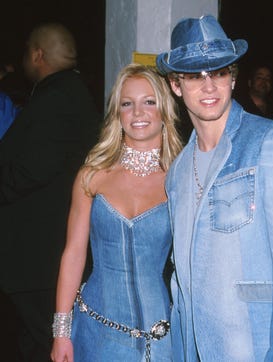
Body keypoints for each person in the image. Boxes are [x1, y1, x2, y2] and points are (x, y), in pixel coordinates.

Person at [156, 14, 273, 361]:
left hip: (259, 346)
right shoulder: (176, 173)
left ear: (233, 79)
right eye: (194, 74)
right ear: (176, 85)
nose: (209, 86)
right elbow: (183, 285)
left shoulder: (272, 142)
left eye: (219, 72)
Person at [50, 63, 182, 362]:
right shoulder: (92, 176)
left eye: (149, 102)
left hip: (160, 332)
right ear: (117, 113)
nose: (138, 112)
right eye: (127, 104)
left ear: (164, 110)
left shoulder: (181, 178)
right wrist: (61, 332)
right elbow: (73, 254)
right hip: (96, 328)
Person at [0, 22, 100, 361]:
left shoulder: (60, 97)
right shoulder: (64, 92)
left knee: (45, 346)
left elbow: (31, 169)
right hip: (41, 257)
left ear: (37, 54)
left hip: (40, 259)